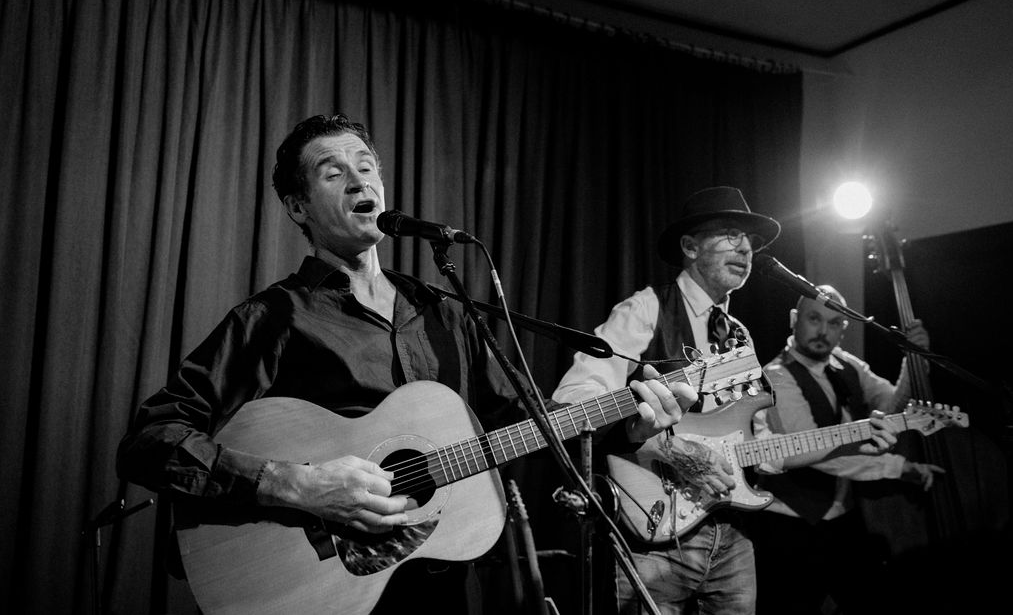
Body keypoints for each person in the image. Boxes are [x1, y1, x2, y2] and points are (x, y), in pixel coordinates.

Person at [115, 113, 695, 615]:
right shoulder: (273, 318)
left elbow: (529, 421)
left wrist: (629, 421)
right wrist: (295, 484)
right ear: (297, 206)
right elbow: (150, 439)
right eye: (332, 173)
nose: (359, 181)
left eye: (367, 167)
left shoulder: (445, 312)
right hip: (323, 588)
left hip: (441, 583)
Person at [553, 186, 903, 615]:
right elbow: (576, 398)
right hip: (656, 527)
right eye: (730, 234)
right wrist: (671, 448)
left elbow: (763, 450)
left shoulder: (738, 334)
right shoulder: (647, 308)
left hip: (732, 533)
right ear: (690, 246)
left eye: (749, 240)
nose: (745, 248)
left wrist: (852, 439)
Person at [749, 284, 945, 615]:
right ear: (794, 319)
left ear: (843, 329)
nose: (822, 331)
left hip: (843, 517)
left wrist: (914, 361)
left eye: (834, 323)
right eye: (814, 318)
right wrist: (901, 468)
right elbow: (816, 453)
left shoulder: (846, 363)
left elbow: (891, 408)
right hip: (790, 525)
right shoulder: (776, 377)